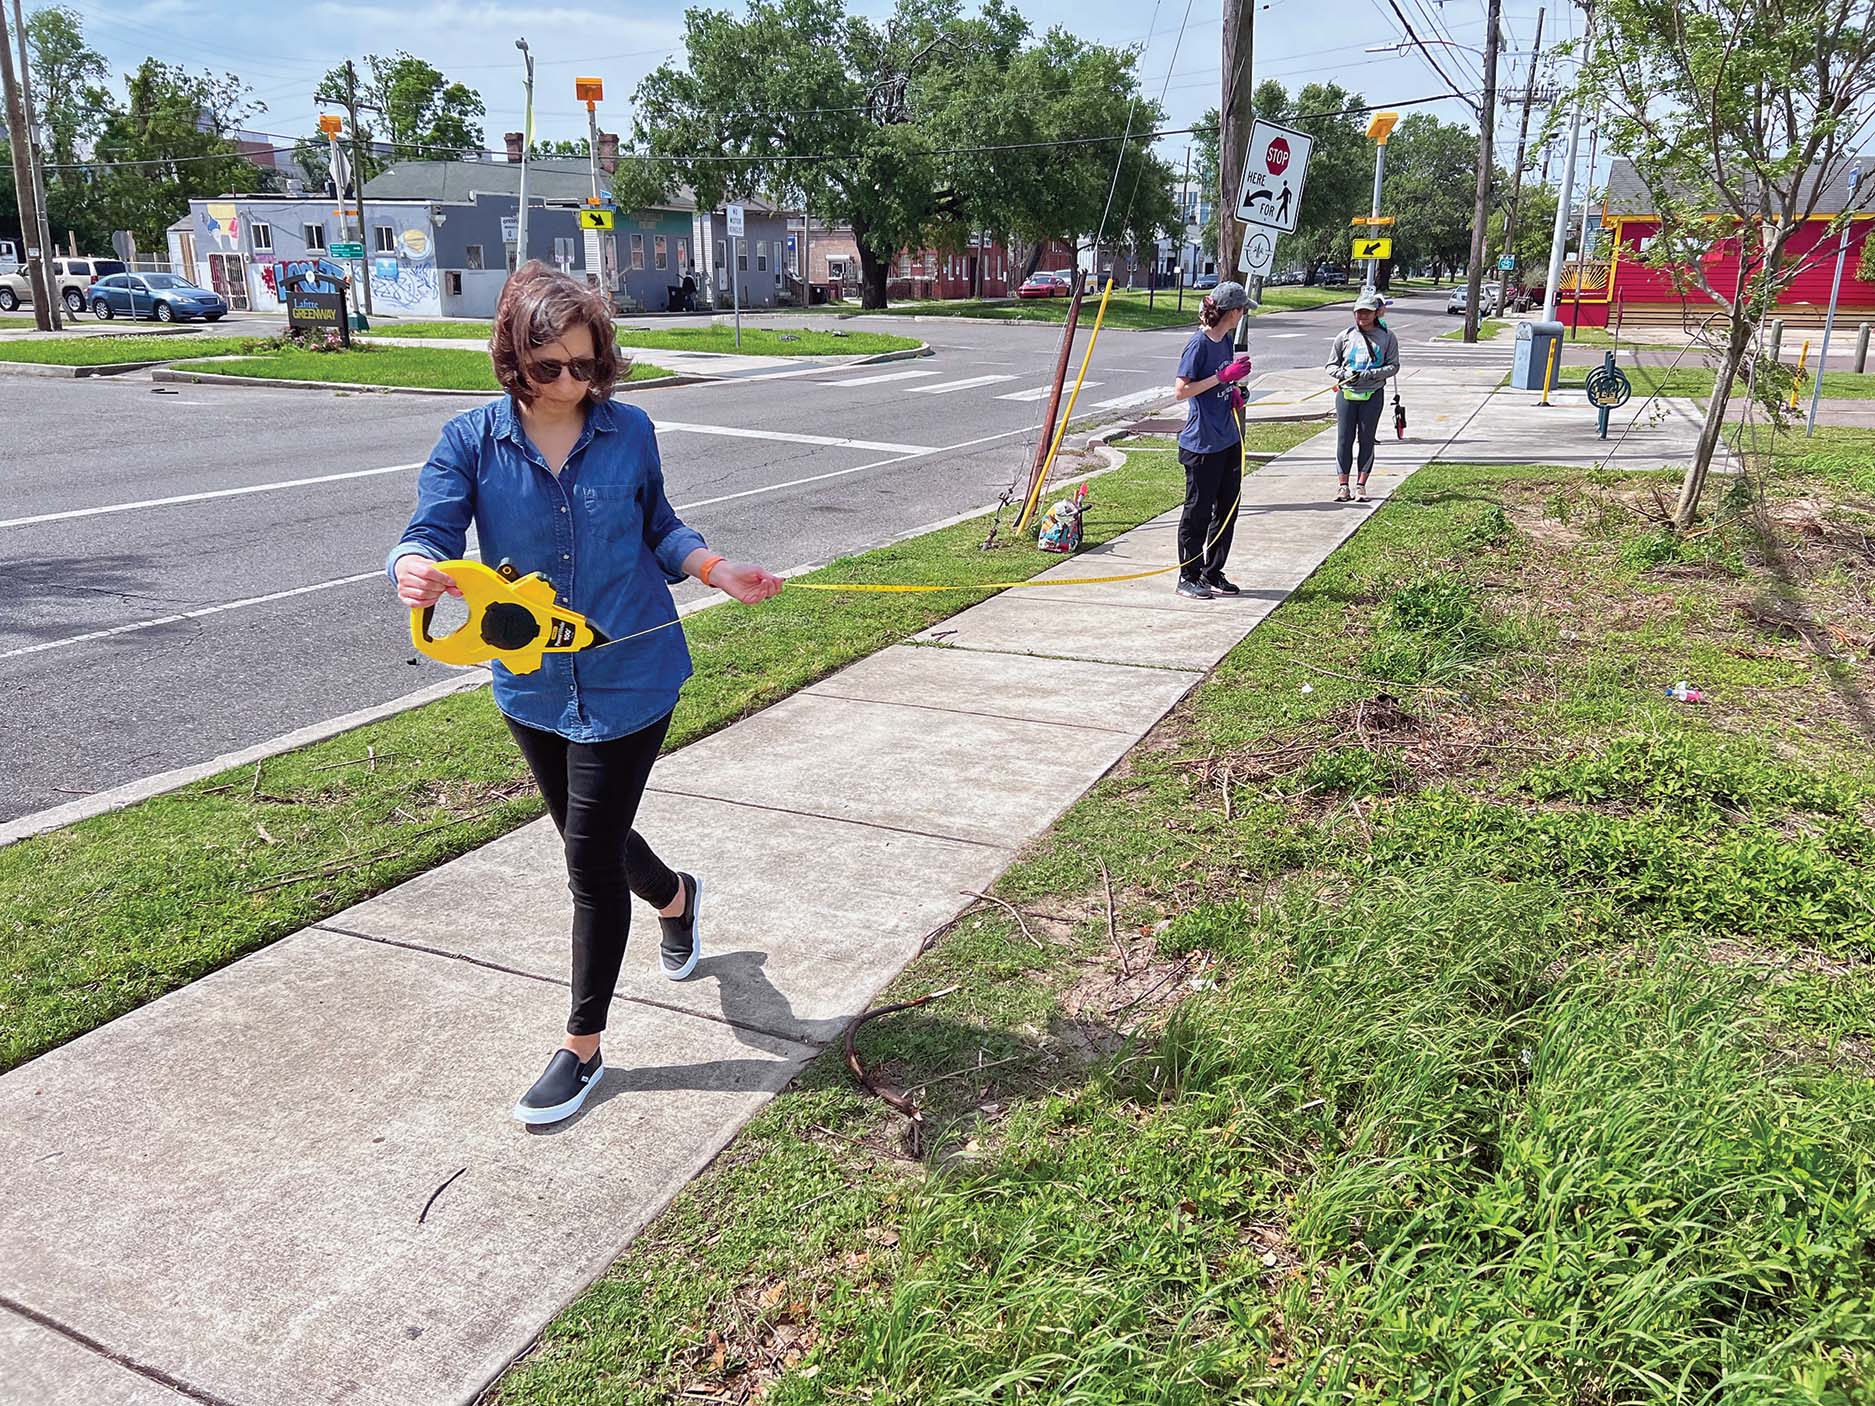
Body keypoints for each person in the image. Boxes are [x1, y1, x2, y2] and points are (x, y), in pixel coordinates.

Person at [387, 263, 783, 1127]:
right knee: (585, 834)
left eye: (586, 364)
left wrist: (715, 568)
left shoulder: (628, 429)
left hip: (634, 671)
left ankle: (583, 1047)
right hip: (531, 681)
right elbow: (428, 533)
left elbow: (660, 528)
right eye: (549, 367)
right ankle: (676, 897)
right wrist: (414, 568)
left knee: (587, 863)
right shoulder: (470, 441)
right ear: (511, 359)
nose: (571, 382)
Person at [1171, 280, 1254, 601]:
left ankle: (1212, 571)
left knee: (1227, 509)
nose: (1243, 315)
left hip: (1227, 438)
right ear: (1233, 312)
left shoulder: (1226, 340)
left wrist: (1233, 391)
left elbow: (1221, 384)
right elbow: (1181, 391)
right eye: (1243, 310)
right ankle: (1188, 576)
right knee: (1198, 511)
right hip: (1201, 443)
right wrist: (1221, 377)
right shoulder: (1198, 345)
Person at [1325, 289, 1401, 502]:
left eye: (1367, 312)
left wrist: (1372, 374)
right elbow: (1331, 365)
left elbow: (1394, 366)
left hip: (1373, 394)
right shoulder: (1345, 336)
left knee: (1366, 439)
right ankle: (1343, 486)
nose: (1362, 316)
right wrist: (1345, 374)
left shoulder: (1387, 337)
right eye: (1358, 312)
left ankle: (1361, 485)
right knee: (1344, 439)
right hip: (1347, 394)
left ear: (1376, 313)